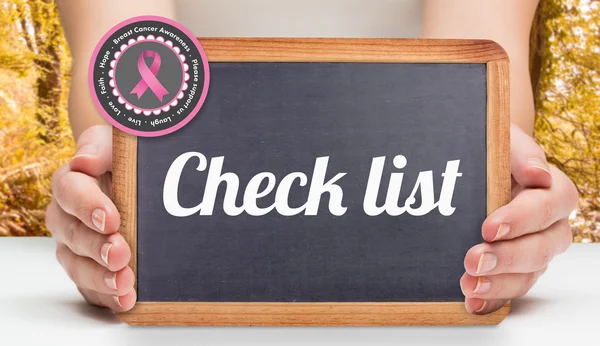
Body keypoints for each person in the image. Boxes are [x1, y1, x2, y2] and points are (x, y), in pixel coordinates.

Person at [48, 0, 579, 314]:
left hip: (411, 253)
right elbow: (124, 64)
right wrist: (106, 178)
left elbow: (473, 72)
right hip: (186, 256)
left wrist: (501, 177)